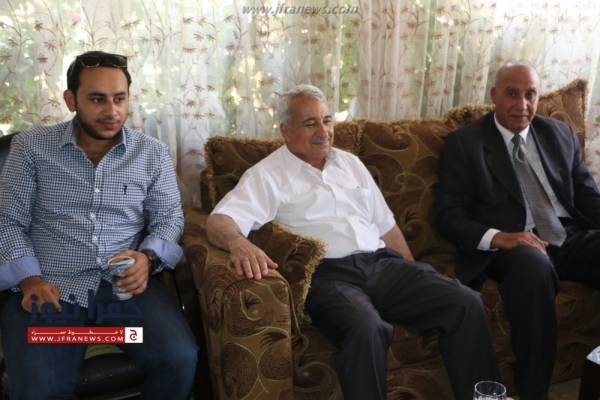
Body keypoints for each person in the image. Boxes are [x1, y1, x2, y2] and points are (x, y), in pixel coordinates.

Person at [206, 84, 500, 400]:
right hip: (328, 276)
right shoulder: (267, 175)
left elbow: (386, 227)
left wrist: (415, 276)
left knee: (465, 302)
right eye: (310, 123)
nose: (323, 132)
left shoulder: (350, 163)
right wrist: (239, 243)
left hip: (383, 265)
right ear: (286, 131)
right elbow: (219, 221)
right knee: (367, 328)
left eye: (327, 120)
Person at [0, 51, 198, 399]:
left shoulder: (152, 153)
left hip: (124, 288)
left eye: (119, 98)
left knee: (178, 359)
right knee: (40, 389)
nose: (111, 111)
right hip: (50, 289)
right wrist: (29, 279)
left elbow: (169, 218)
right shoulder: (31, 147)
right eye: (97, 99)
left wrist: (148, 258)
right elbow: (7, 219)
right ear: (71, 100)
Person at [435, 61, 600, 400]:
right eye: (512, 94)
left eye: (530, 94)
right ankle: (533, 393)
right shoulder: (464, 145)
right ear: (494, 95)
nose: (522, 104)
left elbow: (587, 197)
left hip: (565, 235)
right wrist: (500, 237)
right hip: (512, 245)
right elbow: (449, 215)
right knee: (533, 267)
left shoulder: (560, 134)